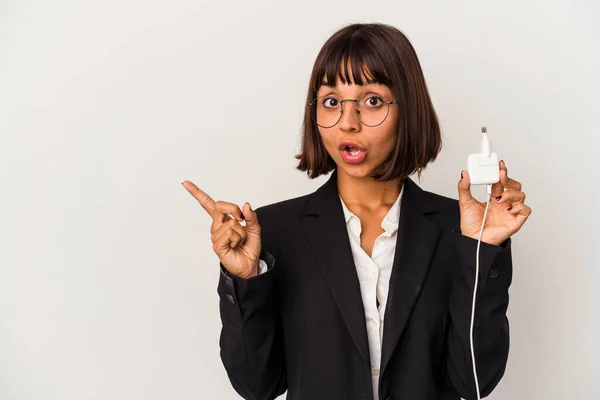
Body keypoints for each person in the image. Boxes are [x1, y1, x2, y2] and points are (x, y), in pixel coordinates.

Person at [182, 22, 531, 400]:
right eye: (332, 102)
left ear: (407, 110)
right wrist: (246, 280)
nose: (348, 122)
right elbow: (257, 386)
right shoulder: (273, 233)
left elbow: (474, 381)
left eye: (372, 101)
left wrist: (480, 251)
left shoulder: (459, 231)